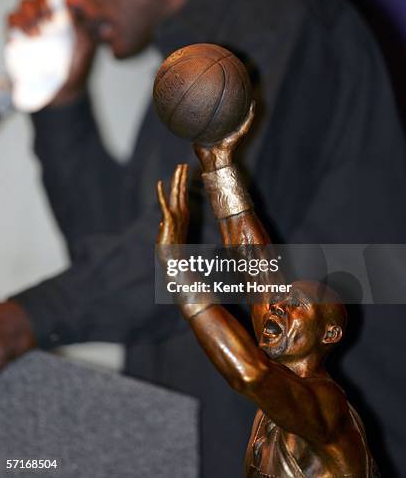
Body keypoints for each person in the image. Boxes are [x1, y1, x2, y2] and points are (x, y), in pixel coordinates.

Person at [1, 0, 406, 475]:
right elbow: (111, 251)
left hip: (305, 446)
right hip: (190, 431)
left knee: (19, 428)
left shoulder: (279, 23)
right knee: (20, 429)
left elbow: (207, 250)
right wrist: (63, 106)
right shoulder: (190, 69)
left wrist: (23, 321)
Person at [156, 106, 379, 476]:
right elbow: (254, 262)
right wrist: (218, 163)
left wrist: (176, 270)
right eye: (280, 300)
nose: (278, 306)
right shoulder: (286, 377)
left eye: (296, 306)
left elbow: (250, 374)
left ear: (329, 333)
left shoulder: (327, 405)